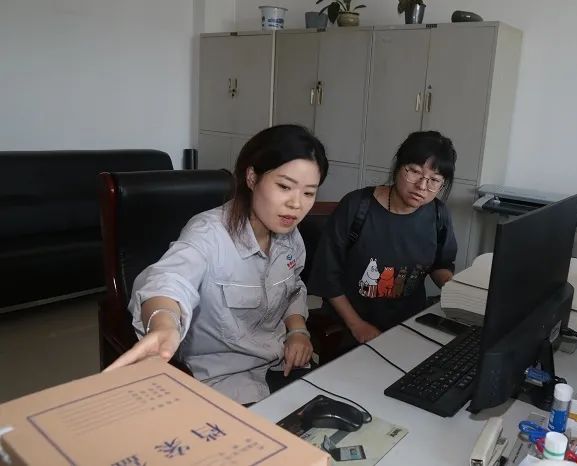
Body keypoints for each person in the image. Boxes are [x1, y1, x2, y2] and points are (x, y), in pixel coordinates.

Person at [105, 124, 329, 405]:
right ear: (252, 177)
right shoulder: (208, 233)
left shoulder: (290, 236)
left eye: (308, 193)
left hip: (279, 364)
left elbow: (293, 287)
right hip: (221, 382)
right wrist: (163, 325)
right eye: (284, 186)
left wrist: (297, 330)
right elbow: (170, 280)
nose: (296, 204)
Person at [308, 130, 458, 345]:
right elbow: (326, 275)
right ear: (398, 166)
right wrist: (357, 326)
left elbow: (441, 264)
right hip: (351, 324)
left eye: (434, 180)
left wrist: (459, 293)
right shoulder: (356, 206)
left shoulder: (438, 214)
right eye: (414, 172)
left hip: (411, 325)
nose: (422, 186)